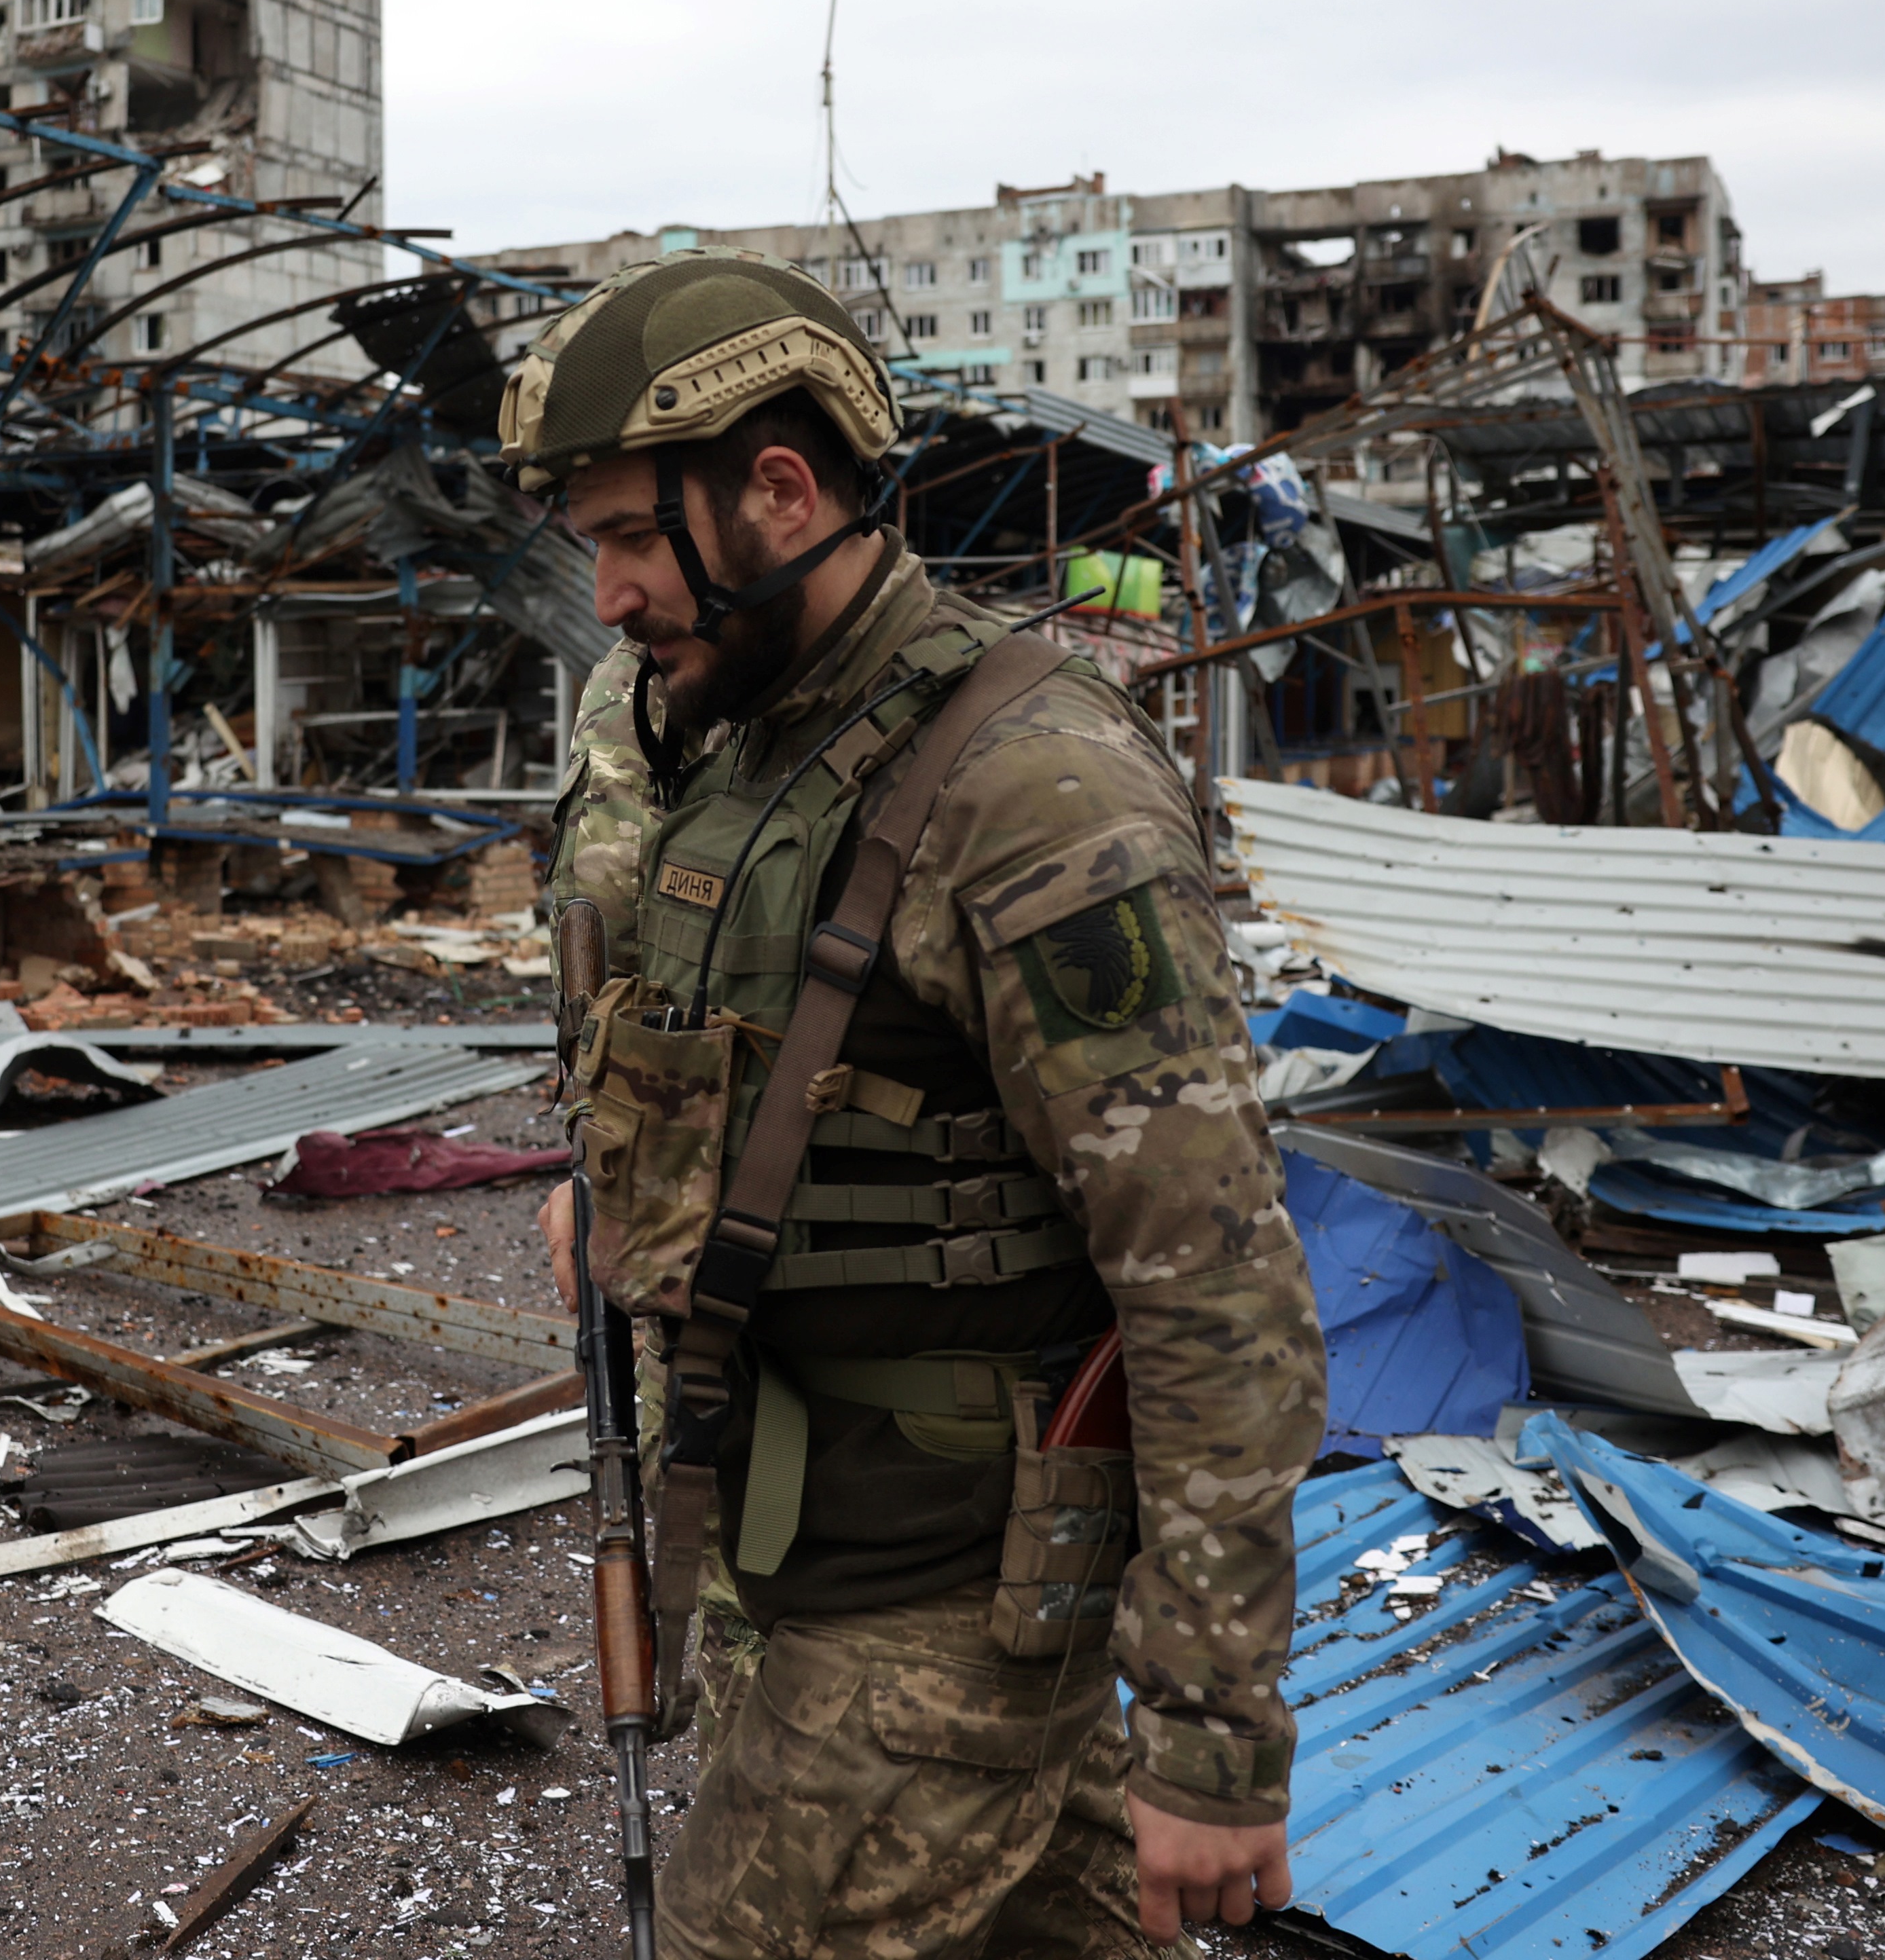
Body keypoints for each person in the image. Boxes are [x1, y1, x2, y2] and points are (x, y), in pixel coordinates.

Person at [512, 247, 1326, 1959]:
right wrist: (626, 1180)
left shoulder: (1030, 788)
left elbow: (1219, 1286)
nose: (605, 597)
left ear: (781, 491)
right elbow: (722, 1039)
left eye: (630, 539)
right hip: (790, 1526)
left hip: (945, 1582)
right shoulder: (734, 735)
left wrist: (1213, 1742)